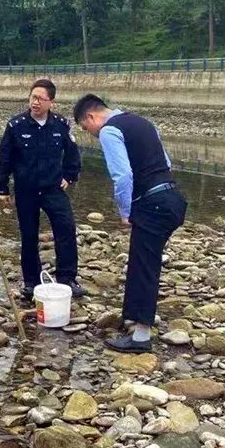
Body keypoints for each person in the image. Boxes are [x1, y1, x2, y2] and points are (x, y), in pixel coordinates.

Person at [72, 94, 187, 353]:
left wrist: (125, 211)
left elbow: (122, 175)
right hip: (173, 198)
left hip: (153, 202)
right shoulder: (142, 122)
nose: (89, 134)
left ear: (91, 117)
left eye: (85, 128)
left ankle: (141, 336)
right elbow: (165, 162)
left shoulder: (110, 131)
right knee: (143, 258)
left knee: (143, 265)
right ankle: (133, 317)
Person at [0, 79, 84, 303]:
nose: (35, 102)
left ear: (50, 102)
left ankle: (67, 278)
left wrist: (70, 176)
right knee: (28, 235)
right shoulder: (16, 125)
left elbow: (72, 153)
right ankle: (31, 281)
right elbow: (5, 158)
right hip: (26, 190)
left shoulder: (60, 125)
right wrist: (2, 188)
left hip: (53, 188)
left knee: (66, 229)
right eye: (32, 97)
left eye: (40, 99)